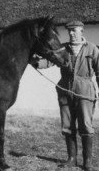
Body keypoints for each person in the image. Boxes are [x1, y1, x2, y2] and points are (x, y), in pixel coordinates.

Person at [31, 21, 99, 171]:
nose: (72, 34)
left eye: (75, 31)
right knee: (67, 126)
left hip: (85, 91)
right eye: (69, 31)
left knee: (86, 126)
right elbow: (48, 62)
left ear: (82, 31)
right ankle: (72, 159)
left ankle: (87, 161)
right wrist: (35, 62)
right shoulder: (63, 48)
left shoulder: (92, 49)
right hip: (64, 90)